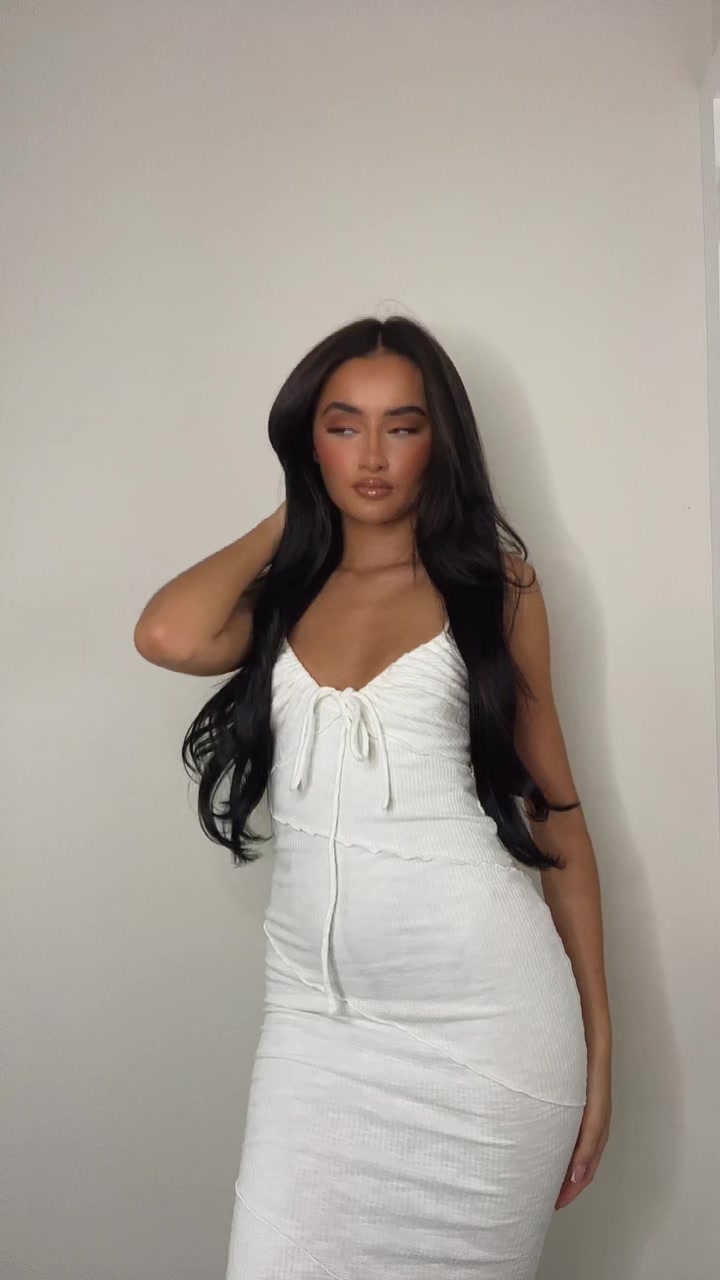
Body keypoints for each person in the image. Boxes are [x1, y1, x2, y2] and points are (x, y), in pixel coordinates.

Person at [134, 315, 612, 1279]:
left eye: (403, 426)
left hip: (489, 1032)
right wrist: (296, 513)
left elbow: (556, 815)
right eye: (343, 426)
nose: (374, 456)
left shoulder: (495, 589)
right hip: (317, 1028)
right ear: (309, 440)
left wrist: (602, 1047)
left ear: (441, 441)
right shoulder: (284, 595)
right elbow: (167, 635)